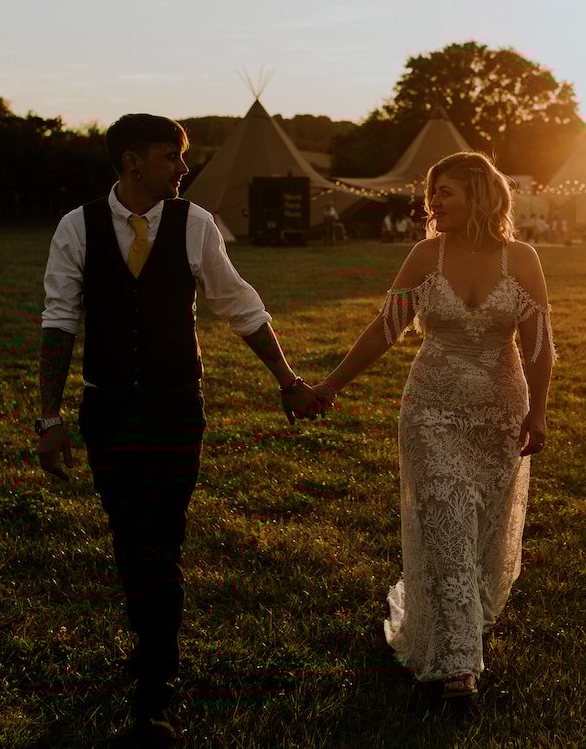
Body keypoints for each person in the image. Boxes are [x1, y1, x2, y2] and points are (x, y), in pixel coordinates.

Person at [35, 113, 327, 744]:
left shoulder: (195, 224)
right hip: (107, 408)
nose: (183, 168)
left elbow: (239, 305)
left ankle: (154, 687)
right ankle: (150, 647)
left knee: (161, 539)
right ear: (133, 161)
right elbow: (59, 321)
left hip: (174, 407)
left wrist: (287, 380)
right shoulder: (76, 226)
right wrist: (50, 416)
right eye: (172, 158)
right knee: (126, 535)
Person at [314, 151, 556, 699]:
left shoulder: (522, 259)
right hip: (430, 410)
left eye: (445, 191)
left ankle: (455, 623)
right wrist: (331, 385)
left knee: (482, 534)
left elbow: (538, 346)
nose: (433, 202)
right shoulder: (426, 255)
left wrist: (537, 410)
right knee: (446, 517)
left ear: (480, 193)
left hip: (499, 413)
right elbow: (386, 328)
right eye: (432, 193)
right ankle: (457, 667)